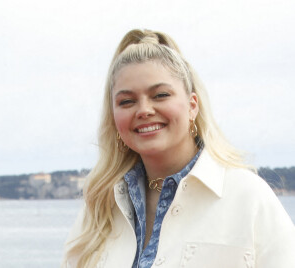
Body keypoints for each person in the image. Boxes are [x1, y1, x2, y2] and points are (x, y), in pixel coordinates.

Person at [63, 29, 295, 268]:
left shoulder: (247, 197)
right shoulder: (100, 211)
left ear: (192, 106)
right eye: (127, 101)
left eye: (160, 95)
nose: (143, 110)